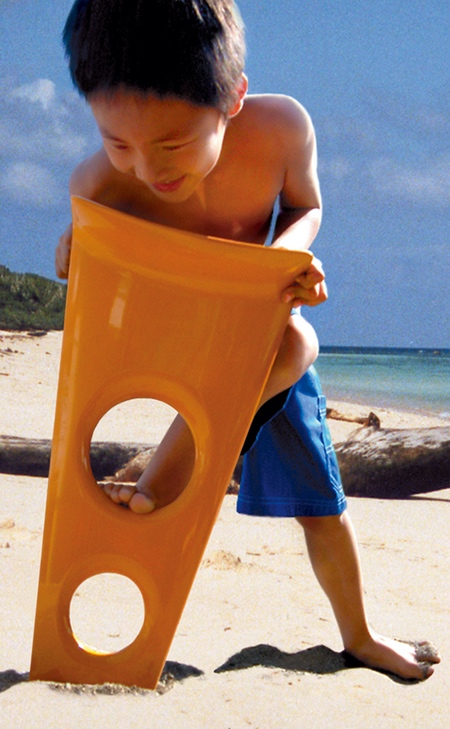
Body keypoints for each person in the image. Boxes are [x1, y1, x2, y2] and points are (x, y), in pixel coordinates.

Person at [56, 0, 440, 681]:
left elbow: (305, 205)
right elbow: (87, 268)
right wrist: (74, 248)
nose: (145, 169)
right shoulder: (97, 181)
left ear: (232, 98)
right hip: (173, 342)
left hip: (259, 335)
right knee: (292, 346)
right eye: (118, 143)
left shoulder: (280, 130)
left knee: (321, 494)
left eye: (171, 145)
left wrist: (289, 261)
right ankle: (159, 484)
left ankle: (359, 633)